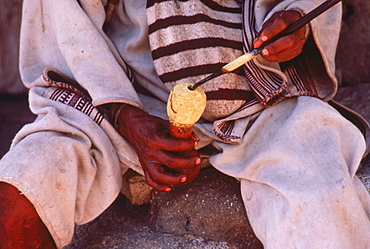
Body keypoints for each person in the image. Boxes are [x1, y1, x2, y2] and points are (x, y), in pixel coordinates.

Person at [0, 0, 369, 248]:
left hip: (259, 93)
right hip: (121, 90)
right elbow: (65, 18)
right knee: (24, 188)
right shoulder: (118, 100)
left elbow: (307, 6)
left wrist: (297, 17)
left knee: (324, 199)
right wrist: (123, 114)